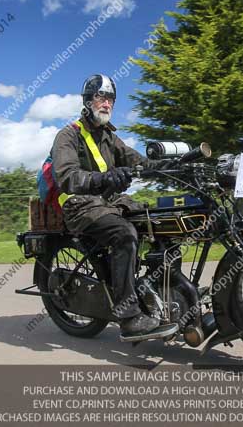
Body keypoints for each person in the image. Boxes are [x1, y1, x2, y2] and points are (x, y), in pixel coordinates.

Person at [50, 74, 172, 338]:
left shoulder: (109, 137)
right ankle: (128, 317)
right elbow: (67, 176)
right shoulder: (68, 135)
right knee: (124, 234)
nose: (106, 103)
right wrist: (104, 178)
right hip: (79, 205)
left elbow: (140, 162)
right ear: (88, 100)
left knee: (162, 220)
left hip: (107, 203)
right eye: (100, 97)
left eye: (110, 99)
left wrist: (178, 165)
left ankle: (159, 292)